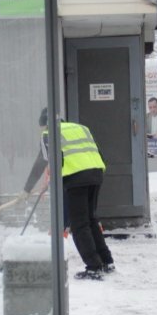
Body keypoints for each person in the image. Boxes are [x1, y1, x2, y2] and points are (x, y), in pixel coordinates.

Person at [22, 108, 114, 279]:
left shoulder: (49, 134)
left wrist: (27, 189)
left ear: (45, 124)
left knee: (79, 225)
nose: (42, 130)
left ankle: (94, 267)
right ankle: (106, 261)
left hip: (77, 178)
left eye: (42, 127)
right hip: (96, 174)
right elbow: (92, 154)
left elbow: (41, 161)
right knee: (91, 220)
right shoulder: (80, 128)